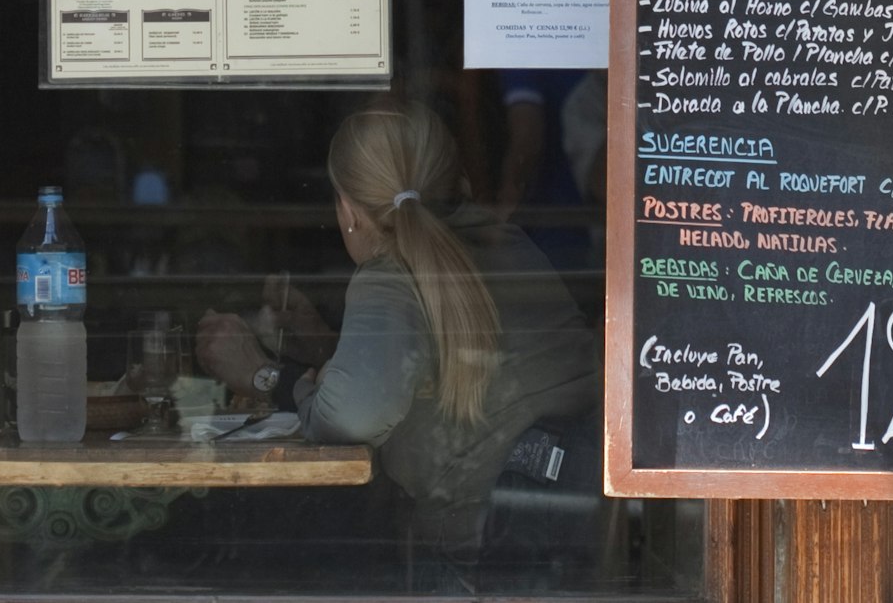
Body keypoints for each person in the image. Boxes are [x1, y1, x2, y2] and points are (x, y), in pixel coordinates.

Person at [199, 102, 599, 556]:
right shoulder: (506, 241)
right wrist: (326, 346)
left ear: (348, 210)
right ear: (457, 175)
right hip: (578, 518)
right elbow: (439, 368)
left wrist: (262, 375)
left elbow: (352, 418)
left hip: (486, 548)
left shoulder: (388, 277)